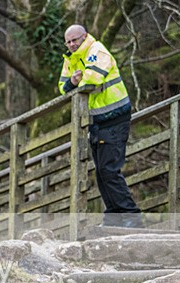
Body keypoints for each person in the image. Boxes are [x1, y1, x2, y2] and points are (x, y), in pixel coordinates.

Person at [59, 24, 143, 228]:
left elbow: (93, 79)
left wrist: (77, 80)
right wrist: (73, 81)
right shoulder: (70, 59)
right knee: (101, 172)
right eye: (68, 42)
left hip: (114, 118)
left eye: (75, 40)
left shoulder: (97, 50)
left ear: (85, 36)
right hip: (96, 121)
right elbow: (63, 87)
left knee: (109, 170)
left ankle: (131, 216)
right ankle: (113, 217)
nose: (71, 44)